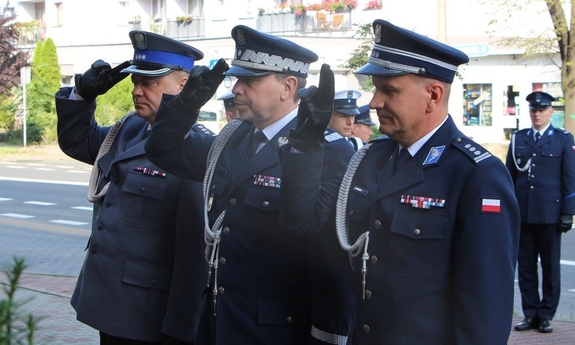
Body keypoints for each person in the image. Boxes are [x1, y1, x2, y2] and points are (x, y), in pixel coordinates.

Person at [279, 19, 521, 344]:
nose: (374, 102)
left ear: (433, 95)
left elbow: (485, 307)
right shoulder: (370, 158)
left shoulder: (475, 174)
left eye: (389, 90)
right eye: (376, 88)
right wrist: (306, 146)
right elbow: (303, 227)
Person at [144, 25, 354, 344]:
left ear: (288, 87)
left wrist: (302, 150)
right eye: (238, 79)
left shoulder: (327, 149)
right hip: (220, 319)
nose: (237, 89)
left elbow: (314, 236)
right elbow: (162, 151)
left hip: (274, 329)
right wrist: (186, 105)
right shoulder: (235, 136)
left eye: (250, 81)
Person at [55, 30, 210, 344]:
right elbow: (77, 141)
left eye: (149, 83)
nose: (137, 91)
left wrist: (182, 326)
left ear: (183, 85)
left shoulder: (195, 147)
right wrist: (83, 95)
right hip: (110, 301)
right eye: (135, 82)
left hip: (150, 314)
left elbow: (193, 253)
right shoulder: (130, 127)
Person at [506, 91, 575, 334]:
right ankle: (530, 313)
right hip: (523, 213)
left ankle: (546, 315)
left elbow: (569, 177)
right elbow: (509, 178)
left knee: (550, 268)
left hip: (549, 213)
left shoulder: (563, 139)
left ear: (550, 112)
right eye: (533, 110)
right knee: (525, 268)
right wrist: (507, 210)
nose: (537, 114)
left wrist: (568, 211)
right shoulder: (519, 139)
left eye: (542, 110)